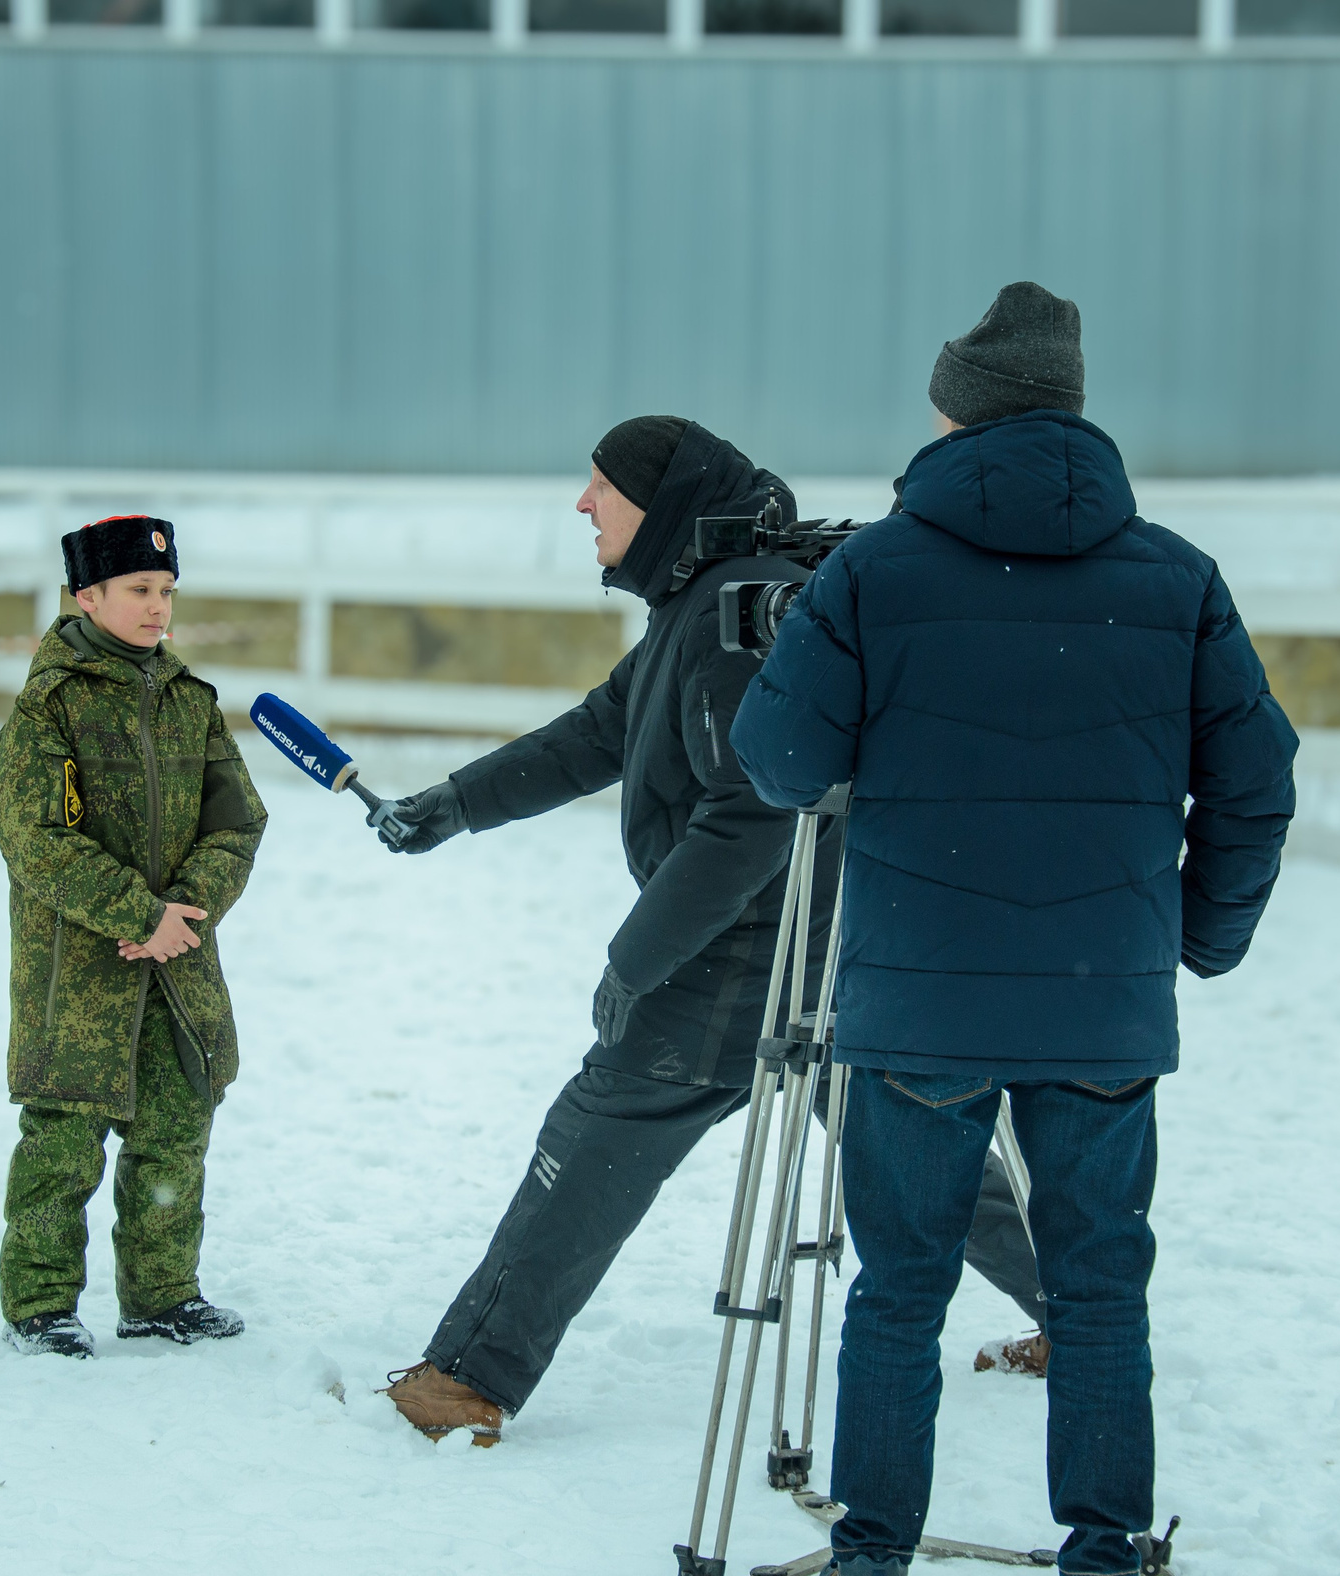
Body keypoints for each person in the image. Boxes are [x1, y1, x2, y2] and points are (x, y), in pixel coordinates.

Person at [731, 282, 1298, 1576]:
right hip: (1103, 992)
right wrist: (1200, 937)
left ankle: (869, 1568)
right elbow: (1258, 779)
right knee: (1101, 1290)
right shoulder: (1175, 575)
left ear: (959, 411)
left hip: (918, 995)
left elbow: (781, 762)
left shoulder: (874, 571)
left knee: (897, 1286)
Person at [369, 417, 1045, 1446]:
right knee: (907, 1142)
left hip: (736, 956)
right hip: (824, 937)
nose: (582, 505)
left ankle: (464, 1379)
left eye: (601, 486)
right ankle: (1082, 1312)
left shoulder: (737, 614)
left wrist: (634, 961)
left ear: (663, 500)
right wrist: (454, 803)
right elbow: (601, 730)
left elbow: (753, 816)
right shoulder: (707, 594)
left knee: (598, 1135)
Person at [0, 514, 268, 1356]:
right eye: (140, 591)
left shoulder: (190, 700)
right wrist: (138, 914)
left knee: (176, 1130)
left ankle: (162, 1295)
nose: (158, 609)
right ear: (88, 595)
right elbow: (35, 840)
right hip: (77, 974)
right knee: (63, 1144)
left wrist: (183, 913)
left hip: (177, 966)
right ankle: (39, 1307)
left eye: (167, 591)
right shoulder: (51, 705)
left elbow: (239, 822)